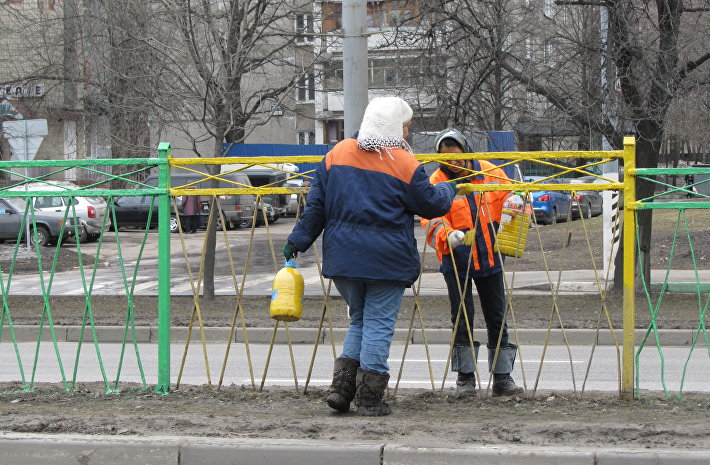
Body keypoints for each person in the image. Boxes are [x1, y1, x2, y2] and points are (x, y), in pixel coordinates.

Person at [284, 97, 457, 416]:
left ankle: (341, 389)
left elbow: (316, 207)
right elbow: (431, 204)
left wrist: (298, 240)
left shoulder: (336, 154)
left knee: (360, 320)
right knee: (378, 324)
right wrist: (450, 189)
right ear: (394, 126)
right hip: (386, 262)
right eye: (406, 125)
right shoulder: (405, 163)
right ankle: (369, 397)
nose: (407, 131)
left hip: (344, 261)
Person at [420, 128, 524, 398]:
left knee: (497, 317)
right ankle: (465, 378)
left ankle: (503, 378)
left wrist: (517, 201)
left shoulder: (490, 171)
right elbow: (429, 218)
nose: (451, 162)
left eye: (455, 156)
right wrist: (447, 235)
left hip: (491, 256)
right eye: (445, 158)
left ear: (466, 152)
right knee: (462, 318)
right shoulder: (435, 181)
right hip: (456, 260)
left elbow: (511, 202)